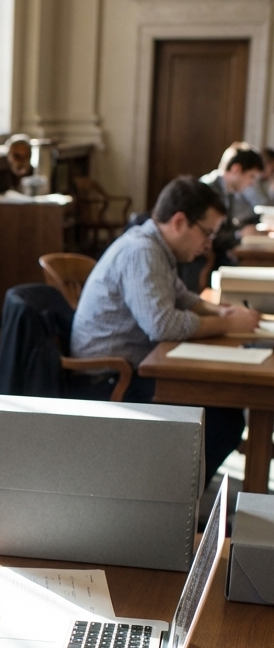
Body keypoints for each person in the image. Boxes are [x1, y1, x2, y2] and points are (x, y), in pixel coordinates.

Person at [70, 176, 260, 485]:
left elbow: (181, 297)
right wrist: (228, 324)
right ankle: (173, 502)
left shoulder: (156, 247)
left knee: (224, 410)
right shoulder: (142, 252)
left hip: (135, 366)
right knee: (222, 420)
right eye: (207, 233)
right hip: (110, 378)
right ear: (180, 221)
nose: (209, 244)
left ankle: (178, 495)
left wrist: (221, 310)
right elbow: (162, 325)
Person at [178, 144, 265, 290]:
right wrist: (239, 234)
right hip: (197, 257)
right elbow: (207, 235)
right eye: (251, 176)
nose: (252, 183)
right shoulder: (207, 190)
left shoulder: (227, 192)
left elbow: (223, 228)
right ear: (236, 169)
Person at [243, 146, 274, 211]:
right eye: (272, 170)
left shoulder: (264, 182)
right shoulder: (250, 179)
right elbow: (262, 205)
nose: (271, 173)